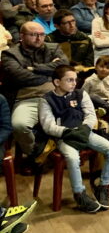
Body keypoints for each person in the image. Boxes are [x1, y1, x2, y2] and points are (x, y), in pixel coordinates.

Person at [39, 65, 109, 213]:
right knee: (72, 158)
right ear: (57, 82)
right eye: (69, 80)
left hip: (84, 132)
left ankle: (103, 187)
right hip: (64, 137)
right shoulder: (46, 100)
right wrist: (69, 132)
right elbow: (48, 126)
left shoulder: (81, 94)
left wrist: (84, 129)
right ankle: (79, 194)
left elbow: (90, 115)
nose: (74, 83)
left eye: (75, 80)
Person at [0, 22, 69, 156]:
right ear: (22, 36)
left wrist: (35, 68)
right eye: (33, 35)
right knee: (19, 125)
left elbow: (64, 67)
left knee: (78, 119)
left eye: (42, 34)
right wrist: (50, 74)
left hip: (55, 96)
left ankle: (65, 150)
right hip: (27, 98)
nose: (39, 38)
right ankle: (37, 154)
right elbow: (20, 77)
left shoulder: (53, 48)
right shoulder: (9, 54)